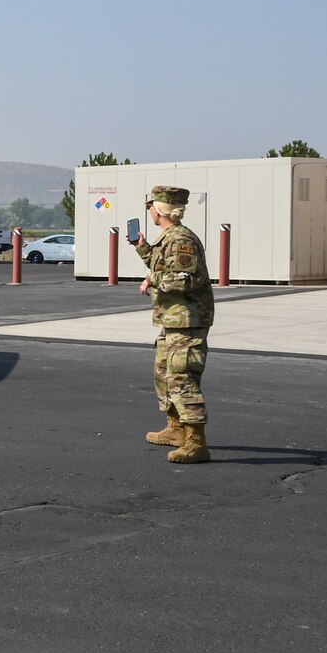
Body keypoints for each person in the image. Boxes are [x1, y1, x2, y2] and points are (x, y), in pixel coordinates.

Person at [134, 184, 214, 464]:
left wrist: (153, 279)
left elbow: (187, 280)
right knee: (164, 375)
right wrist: (142, 248)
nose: (150, 211)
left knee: (182, 377)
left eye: (151, 206)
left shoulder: (182, 240)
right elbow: (163, 266)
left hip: (187, 321)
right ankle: (176, 429)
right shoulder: (167, 237)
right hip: (173, 320)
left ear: (159, 209)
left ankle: (195, 443)